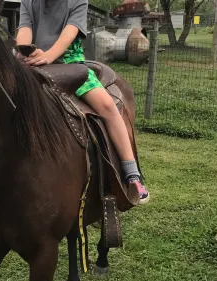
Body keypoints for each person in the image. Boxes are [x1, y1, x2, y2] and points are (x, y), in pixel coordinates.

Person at [16, 0, 149, 204]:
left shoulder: (77, 1)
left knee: (107, 107)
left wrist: (49, 56)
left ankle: (132, 173)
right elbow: (24, 28)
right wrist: (24, 51)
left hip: (70, 63)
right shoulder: (28, 1)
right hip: (33, 62)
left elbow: (69, 34)